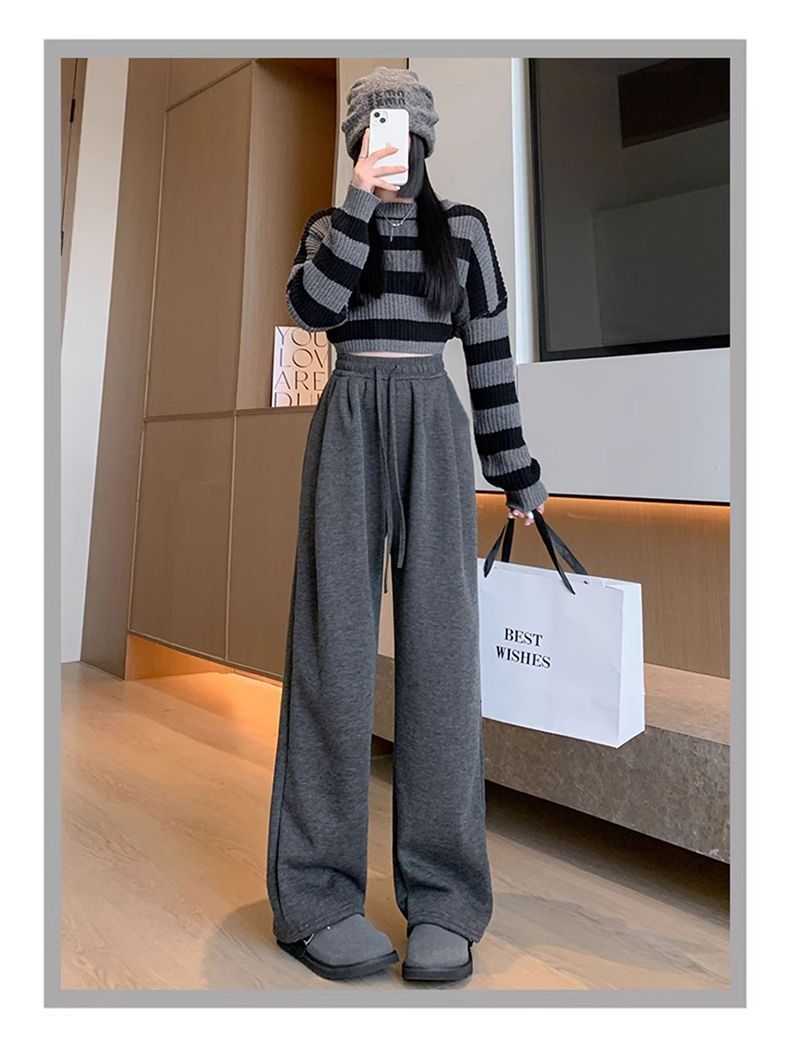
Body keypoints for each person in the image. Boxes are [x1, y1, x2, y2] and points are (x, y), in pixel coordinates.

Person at [266, 66, 549, 983]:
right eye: (373, 130)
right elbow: (311, 311)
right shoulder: (328, 227)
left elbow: (491, 361)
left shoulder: (463, 231)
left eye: (402, 131)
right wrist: (358, 201)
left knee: (441, 660)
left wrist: (516, 471)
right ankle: (315, 896)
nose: (389, 143)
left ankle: (445, 899)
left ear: (425, 140)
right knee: (333, 654)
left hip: (433, 421)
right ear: (357, 140)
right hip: (347, 418)